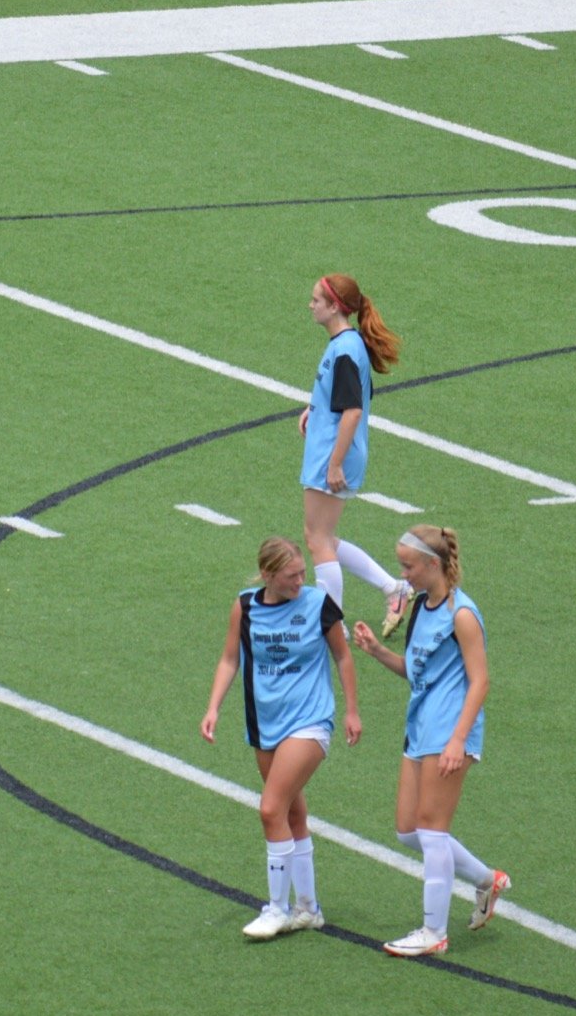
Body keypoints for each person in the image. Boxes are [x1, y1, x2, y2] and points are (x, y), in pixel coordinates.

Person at [350, 525, 509, 958]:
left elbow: (480, 681)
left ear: (432, 564)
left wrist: (458, 740)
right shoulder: (421, 607)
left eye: (408, 566)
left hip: (449, 730)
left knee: (433, 830)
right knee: (408, 830)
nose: (403, 575)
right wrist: (376, 651)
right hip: (420, 726)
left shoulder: (462, 614)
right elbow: (415, 671)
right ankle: (487, 880)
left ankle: (433, 932)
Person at [202, 536, 363, 940]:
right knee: (292, 813)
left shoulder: (319, 605)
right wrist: (213, 707)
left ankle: (277, 909)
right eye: (292, 576)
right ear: (267, 575)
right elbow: (230, 659)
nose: (300, 581)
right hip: (265, 724)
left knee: (271, 809)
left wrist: (351, 711)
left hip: (309, 721)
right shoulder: (245, 607)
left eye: (302, 573)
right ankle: (308, 908)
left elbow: (343, 656)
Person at [299, 273, 414, 635]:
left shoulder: (346, 349)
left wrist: (334, 463)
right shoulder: (346, 345)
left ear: (335, 307)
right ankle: (393, 588)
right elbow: (348, 397)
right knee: (323, 537)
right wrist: (313, 409)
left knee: (317, 539)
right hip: (330, 451)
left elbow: (352, 411)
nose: (310, 305)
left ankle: (332, 625)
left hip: (332, 456)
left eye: (317, 300)